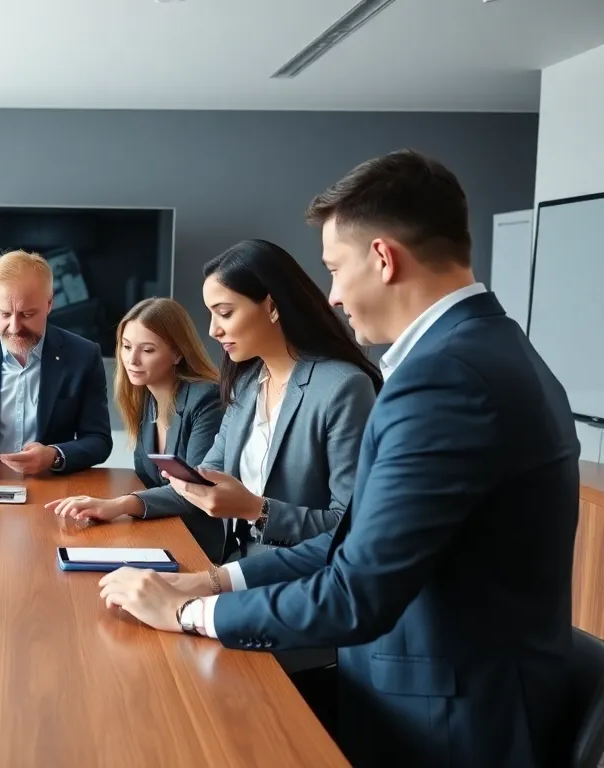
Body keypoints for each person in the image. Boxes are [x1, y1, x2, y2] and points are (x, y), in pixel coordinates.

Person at [94, 150, 579, 768]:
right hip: (440, 695)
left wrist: (190, 612)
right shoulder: (489, 349)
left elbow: (357, 591)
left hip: (447, 722)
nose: (333, 295)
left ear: (382, 258)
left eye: (334, 269)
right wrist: (215, 581)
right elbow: (359, 541)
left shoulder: (445, 378)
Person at [48, 239, 380, 564]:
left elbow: (350, 527)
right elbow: (200, 480)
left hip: (301, 579)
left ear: (272, 306)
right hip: (236, 564)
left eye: (225, 313)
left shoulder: (342, 388)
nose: (213, 331)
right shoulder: (247, 385)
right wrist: (120, 505)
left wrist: (257, 510)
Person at [0, 250, 112, 475]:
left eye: (27, 314)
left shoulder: (84, 355)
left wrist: (53, 456)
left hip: (53, 484)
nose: (14, 327)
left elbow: (98, 440)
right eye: (4, 314)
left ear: (49, 303)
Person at [112, 298, 221, 490]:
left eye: (147, 350)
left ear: (177, 354)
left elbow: (197, 488)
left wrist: (123, 503)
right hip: (161, 510)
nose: (132, 360)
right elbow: (145, 479)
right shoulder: (144, 399)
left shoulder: (206, 399)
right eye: (127, 347)